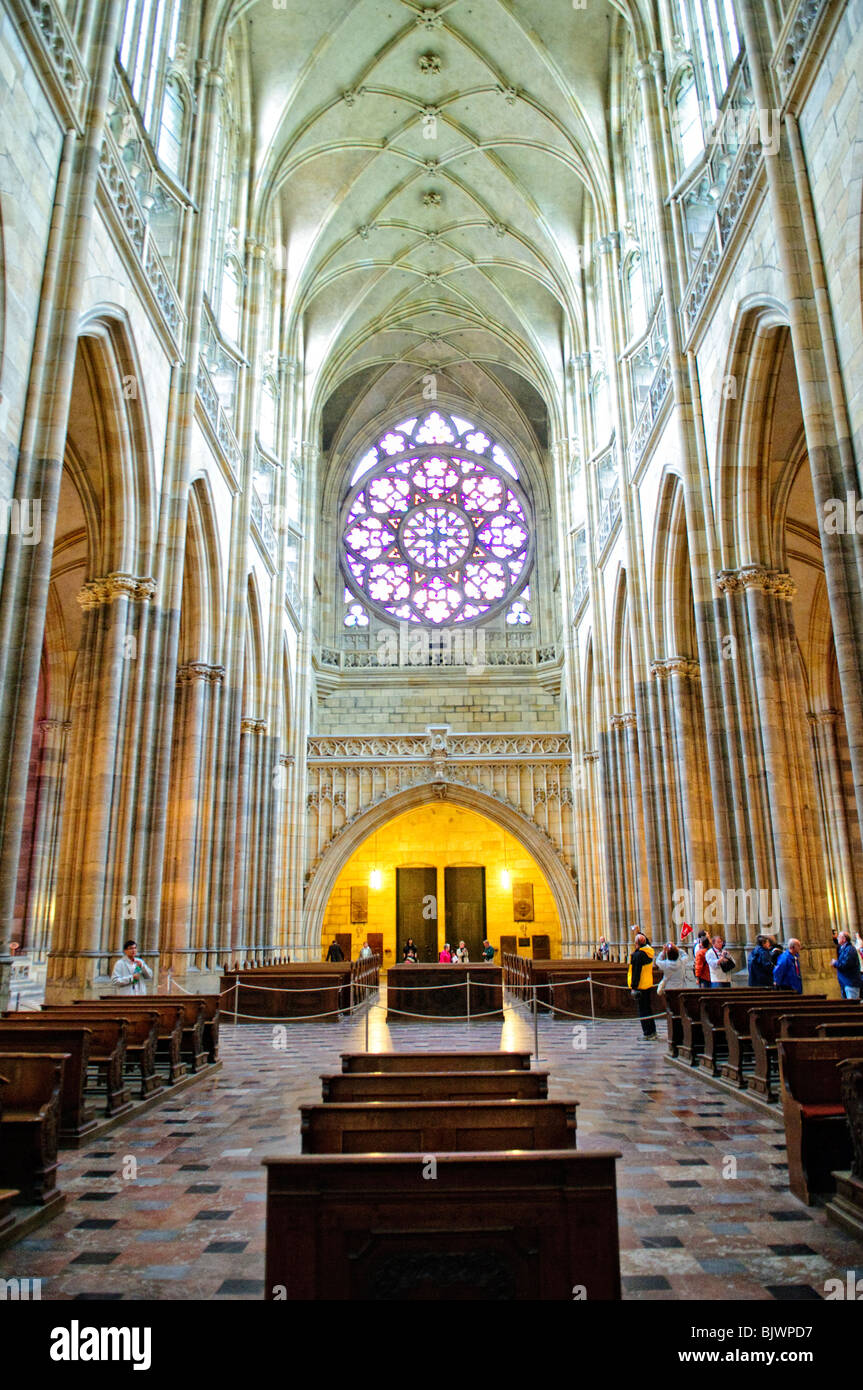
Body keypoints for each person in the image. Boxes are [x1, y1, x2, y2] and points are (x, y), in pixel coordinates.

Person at [628, 932, 656, 1039]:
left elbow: (636, 972)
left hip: (640, 986)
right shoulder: (649, 952)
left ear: (636, 943)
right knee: (648, 1009)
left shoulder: (637, 955)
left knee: (643, 1010)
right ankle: (653, 1031)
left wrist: (633, 987)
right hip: (648, 984)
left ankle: (647, 1033)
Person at [831, 931, 862, 999]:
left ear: (844, 939)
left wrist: (835, 963)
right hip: (846, 982)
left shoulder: (850, 949)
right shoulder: (844, 949)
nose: (837, 938)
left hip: (851, 983)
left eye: (839, 937)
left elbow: (845, 964)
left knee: (852, 1006)